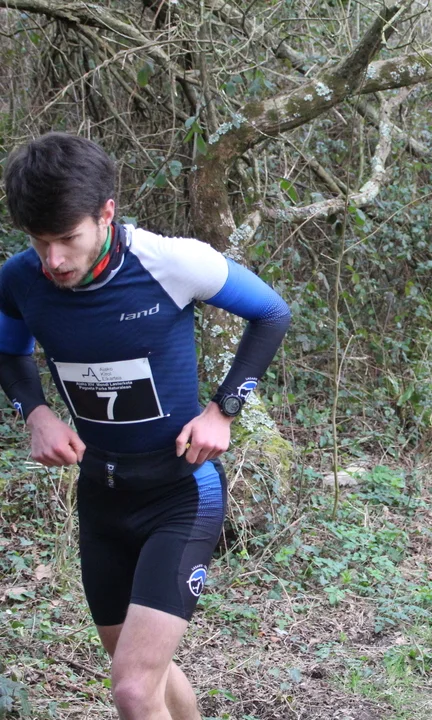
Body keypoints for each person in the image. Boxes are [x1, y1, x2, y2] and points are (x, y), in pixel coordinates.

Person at [0, 133, 290, 719]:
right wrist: (36, 413)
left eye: (67, 239)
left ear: (105, 213)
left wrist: (223, 410)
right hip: (101, 496)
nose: (53, 260)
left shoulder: (169, 262)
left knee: (132, 688)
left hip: (180, 491)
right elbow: (8, 351)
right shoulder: (18, 279)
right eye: (39, 241)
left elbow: (271, 313)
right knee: (140, 671)